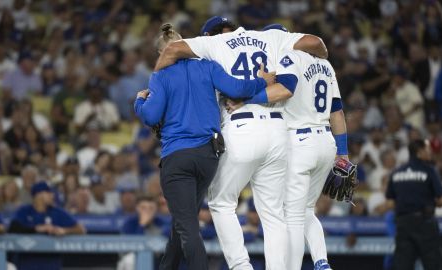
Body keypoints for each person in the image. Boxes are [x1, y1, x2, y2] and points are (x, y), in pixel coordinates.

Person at [154, 16, 327, 270]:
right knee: (274, 214)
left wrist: (156, 81)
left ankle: (241, 267)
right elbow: (317, 43)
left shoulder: (215, 43)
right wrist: (319, 63)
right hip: (277, 130)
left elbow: (171, 49)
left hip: (240, 127)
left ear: (210, 35)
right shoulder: (271, 37)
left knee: (221, 202)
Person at [134, 24, 273, 270]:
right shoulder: (207, 66)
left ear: (160, 54)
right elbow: (238, 89)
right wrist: (260, 81)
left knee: (187, 228)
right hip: (208, 157)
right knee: (182, 223)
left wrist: (139, 101)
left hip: (178, 159)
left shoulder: (161, 76)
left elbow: (151, 116)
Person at [243, 25, 347, 270]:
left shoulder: (288, 56)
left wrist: (247, 98)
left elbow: (285, 90)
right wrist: (342, 152)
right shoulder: (326, 66)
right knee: (306, 209)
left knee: (293, 216)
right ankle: (322, 262)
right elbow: (338, 113)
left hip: (300, 143)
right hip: (326, 143)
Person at [386, 139, 442, 270]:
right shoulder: (429, 170)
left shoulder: (396, 172)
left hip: (403, 224)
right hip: (425, 223)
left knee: (403, 265)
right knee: (432, 264)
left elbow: (390, 202)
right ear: (419, 152)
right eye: (427, 149)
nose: (430, 152)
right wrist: (430, 202)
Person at [8, 181, 86, 270]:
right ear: (38, 195)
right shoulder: (25, 211)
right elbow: (12, 228)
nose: (52, 195)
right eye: (48, 193)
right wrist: (37, 229)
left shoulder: (57, 212)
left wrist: (64, 230)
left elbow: (81, 229)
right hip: (26, 263)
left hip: (50, 264)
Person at [117, 195, 170, 270]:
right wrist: (142, 225)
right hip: (134, 262)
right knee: (129, 259)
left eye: (151, 208)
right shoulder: (129, 223)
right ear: (137, 208)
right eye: (143, 208)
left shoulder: (162, 223)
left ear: (156, 210)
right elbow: (128, 250)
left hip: (156, 261)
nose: (147, 211)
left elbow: (161, 250)